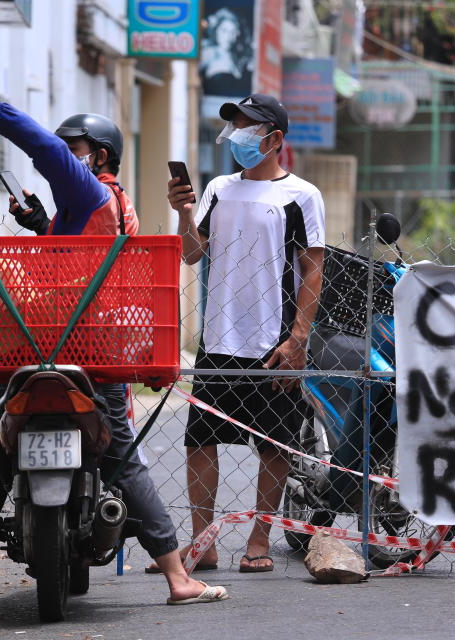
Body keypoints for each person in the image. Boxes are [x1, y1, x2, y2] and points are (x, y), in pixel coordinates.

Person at [0, 88, 228, 610]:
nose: (63, 152)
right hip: (96, 350)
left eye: (73, 146)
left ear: (96, 155)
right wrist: (41, 226)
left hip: (38, 345)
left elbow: (43, 151)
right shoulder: (117, 206)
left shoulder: (87, 189)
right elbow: (81, 258)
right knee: (123, 462)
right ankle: (177, 579)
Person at [151, 94, 325, 573]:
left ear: (274, 140)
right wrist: (184, 213)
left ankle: (259, 539)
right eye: (235, 125)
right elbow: (192, 254)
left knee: (273, 443)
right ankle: (202, 542)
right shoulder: (218, 189)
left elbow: (313, 269)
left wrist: (298, 338)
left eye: (250, 127)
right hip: (218, 339)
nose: (238, 134)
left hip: (273, 344)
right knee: (200, 440)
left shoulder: (302, 196)